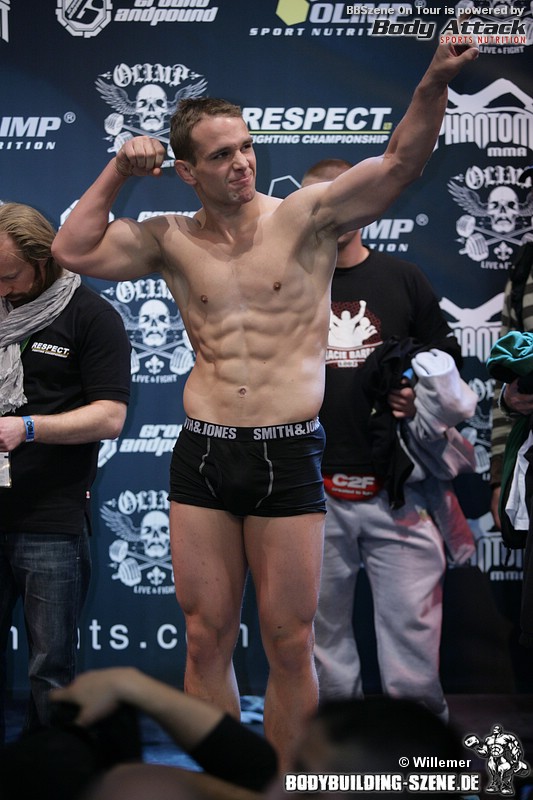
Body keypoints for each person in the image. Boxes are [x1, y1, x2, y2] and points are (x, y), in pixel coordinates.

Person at [51, 42, 479, 769]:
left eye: (246, 147)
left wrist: (435, 77)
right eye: (221, 155)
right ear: (187, 171)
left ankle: (285, 786)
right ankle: (224, 784)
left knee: (289, 641)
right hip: (205, 452)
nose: (242, 163)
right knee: (204, 638)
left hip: (286, 452)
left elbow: (400, 163)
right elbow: (72, 249)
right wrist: (119, 170)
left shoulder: (306, 217)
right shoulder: (167, 238)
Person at [301, 158, 475, 721]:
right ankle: (336, 753)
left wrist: (418, 397)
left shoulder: (403, 278)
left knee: (413, 650)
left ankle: (420, 757)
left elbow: (448, 364)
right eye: (318, 201)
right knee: (321, 645)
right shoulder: (286, 284)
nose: (332, 211)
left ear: (365, 203)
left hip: (400, 491)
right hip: (309, 494)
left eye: (343, 197)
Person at [0, 202, 131, 743]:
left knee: (50, 668)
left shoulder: (90, 316)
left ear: (43, 260)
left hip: (49, 519)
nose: (1, 288)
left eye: (8, 276)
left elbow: (111, 417)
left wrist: (27, 428)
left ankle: (48, 771)